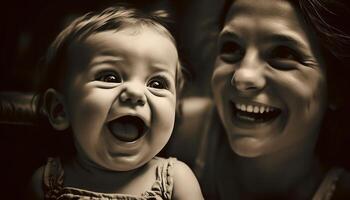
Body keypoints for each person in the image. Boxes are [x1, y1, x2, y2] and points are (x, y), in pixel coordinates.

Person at [167, 0, 350, 199]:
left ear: (337, 85)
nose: (243, 77)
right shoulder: (168, 131)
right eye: (231, 47)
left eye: (283, 53)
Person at [28, 6, 203, 200]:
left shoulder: (177, 180)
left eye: (157, 83)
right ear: (59, 110)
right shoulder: (47, 183)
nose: (136, 93)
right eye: (110, 78)